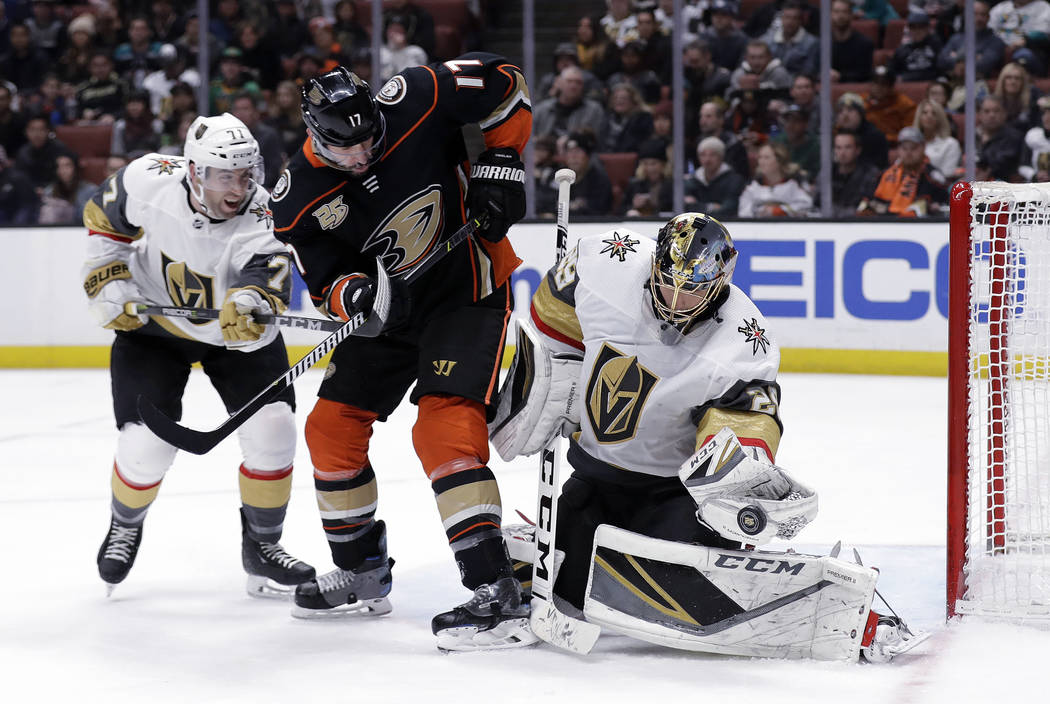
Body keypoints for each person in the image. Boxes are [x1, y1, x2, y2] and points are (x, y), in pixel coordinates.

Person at [490, 212, 914, 662]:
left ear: (720, 282)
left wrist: (737, 486)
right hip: (595, 479)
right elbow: (551, 310)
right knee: (568, 586)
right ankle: (545, 546)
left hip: (671, 495)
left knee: (673, 575)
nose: (674, 298)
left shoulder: (744, 343)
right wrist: (563, 376)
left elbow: (740, 436)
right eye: (667, 280)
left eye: (691, 288)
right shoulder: (606, 260)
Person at [269, 55, 535, 652]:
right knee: (329, 428)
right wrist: (352, 294)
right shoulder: (297, 196)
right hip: (390, 317)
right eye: (347, 150)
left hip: (469, 291)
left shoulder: (415, 94)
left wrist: (502, 161)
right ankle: (363, 568)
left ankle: (495, 588)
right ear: (315, 137)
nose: (363, 156)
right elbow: (324, 282)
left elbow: (507, 83)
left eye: (370, 140)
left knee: (443, 428)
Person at [82, 113, 316, 598]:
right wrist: (109, 281)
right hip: (154, 328)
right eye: (225, 175)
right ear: (193, 172)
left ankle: (263, 546)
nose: (240, 186)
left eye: (247, 172)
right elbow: (104, 224)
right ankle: (126, 523)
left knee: (274, 430)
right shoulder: (147, 179)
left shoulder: (267, 213)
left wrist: (251, 304)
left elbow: (267, 276)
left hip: (235, 335)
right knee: (145, 448)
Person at [859, 126, 948, 217]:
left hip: (918, 225)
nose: (908, 153)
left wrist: (930, 206)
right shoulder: (885, 174)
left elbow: (943, 201)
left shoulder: (932, 175)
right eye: (904, 148)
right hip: (884, 223)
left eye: (913, 148)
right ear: (898, 149)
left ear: (923, 147)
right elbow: (867, 199)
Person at [738, 142, 813, 217]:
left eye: (766, 157)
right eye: (760, 157)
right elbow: (744, 211)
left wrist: (780, 210)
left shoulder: (795, 182)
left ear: (779, 160)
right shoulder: (753, 185)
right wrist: (760, 211)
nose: (761, 162)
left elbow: (806, 205)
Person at [684, 136, 746, 215]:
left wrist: (698, 207)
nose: (707, 159)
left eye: (712, 155)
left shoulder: (735, 180)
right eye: (703, 155)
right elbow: (686, 208)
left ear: (721, 157)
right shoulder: (692, 180)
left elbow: (730, 209)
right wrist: (712, 207)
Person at [38, 153, 96, 225]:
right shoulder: (49, 191)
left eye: (67, 166)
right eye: (59, 166)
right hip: (55, 231)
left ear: (75, 168)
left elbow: (92, 217)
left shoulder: (90, 190)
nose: (63, 170)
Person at [912, 98, 961, 179]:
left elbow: (947, 175)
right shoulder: (911, 143)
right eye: (925, 112)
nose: (929, 116)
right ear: (919, 117)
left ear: (940, 118)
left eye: (934, 113)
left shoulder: (951, 144)